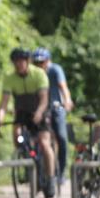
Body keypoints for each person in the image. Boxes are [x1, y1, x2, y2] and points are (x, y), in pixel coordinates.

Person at [0, 47, 56, 197]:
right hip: (22, 112)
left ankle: (50, 179)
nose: (18, 65)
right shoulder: (10, 78)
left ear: (27, 61)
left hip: (40, 110)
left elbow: (44, 99)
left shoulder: (39, 74)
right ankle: (28, 164)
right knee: (17, 136)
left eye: (21, 62)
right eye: (16, 62)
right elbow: (4, 104)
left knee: (44, 143)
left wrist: (39, 113)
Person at [32, 47, 74, 183]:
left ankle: (61, 173)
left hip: (56, 108)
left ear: (47, 61)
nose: (39, 65)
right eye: (36, 63)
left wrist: (67, 100)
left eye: (41, 62)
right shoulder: (34, 74)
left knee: (61, 137)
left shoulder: (55, 70)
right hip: (41, 108)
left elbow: (63, 87)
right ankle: (35, 171)